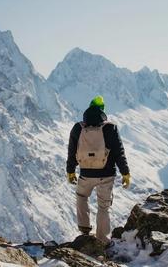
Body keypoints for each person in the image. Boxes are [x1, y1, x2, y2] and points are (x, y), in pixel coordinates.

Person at [66, 95, 131, 245]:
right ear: (103, 111)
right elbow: (118, 152)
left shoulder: (78, 128)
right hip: (106, 175)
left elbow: (72, 151)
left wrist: (70, 170)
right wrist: (125, 172)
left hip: (86, 173)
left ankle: (84, 229)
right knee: (103, 206)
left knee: (82, 197)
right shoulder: (110, 127)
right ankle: (102, 240)